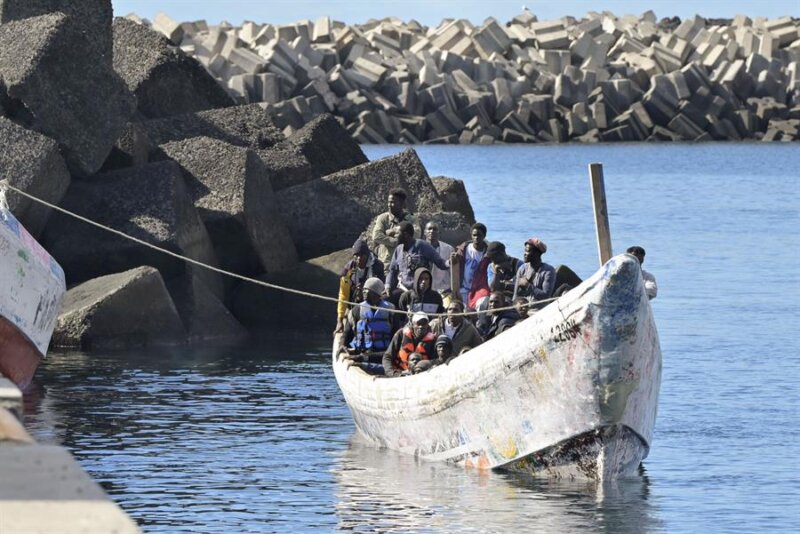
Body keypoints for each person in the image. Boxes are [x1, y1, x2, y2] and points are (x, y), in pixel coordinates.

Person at [386, 221, 449, 304]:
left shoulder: (422, 245)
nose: (395, 236)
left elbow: (441, 263)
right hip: (403, 289)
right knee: (385, 300)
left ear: (405, 235)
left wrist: (450, 262)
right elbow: (392, 271)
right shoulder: (399, 249)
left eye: (397, 233)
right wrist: (388, 286)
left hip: (420, 291)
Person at [335, 239, 385, 333]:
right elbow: (343, 296)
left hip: (374, 302)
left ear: (367, 255)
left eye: (362, 255)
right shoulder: (348, 271)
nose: (359, 258)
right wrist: (340, 320)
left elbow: (382, 291)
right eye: (356, 255)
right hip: (354, 303)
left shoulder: (377, 267)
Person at [372, 188, 420, 272]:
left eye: (392, 202)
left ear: (401, 204)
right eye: (388, 202)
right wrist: (396, 241)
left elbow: (416, 234)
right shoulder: (383, 218)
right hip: (387, 265)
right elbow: (376, 236)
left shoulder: (412, 219)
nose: (389, 205)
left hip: (406, 265)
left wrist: (392, 231)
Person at [383, 311, 436, 377]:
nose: (421, 326)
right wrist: (392, 373)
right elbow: (387, 356)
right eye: (418, 323)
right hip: (399, 373)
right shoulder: (401, 334)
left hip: (421, 375)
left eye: (424, 323)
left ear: (427, 325)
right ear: (413, 324)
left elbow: (435, 361)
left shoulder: (433, 340)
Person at [452, 222, 491, 311]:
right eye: (474, 235)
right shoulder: (464, 250)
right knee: (463, 310)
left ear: (484, 236)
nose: (476, 238)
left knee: (481, 305)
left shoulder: (488, 253)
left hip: (480, 288)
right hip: (464, 287)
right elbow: (454, 266)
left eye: (479, 235)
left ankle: (481, 323)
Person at [512, 237, 556, 309]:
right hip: (522, 310)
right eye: (525, 251)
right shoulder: (522, 269)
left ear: (537, 253)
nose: (525, 254)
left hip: (538, 310)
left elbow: (546, 296)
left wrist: (528, 286)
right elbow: (515, 296)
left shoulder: (548, 271)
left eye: (528, 251)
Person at [424, 221, 454, 296]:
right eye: (429, 229)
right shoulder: (419, 248)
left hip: (443, 290)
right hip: (423, 289)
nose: (432, 231)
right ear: (424, 232)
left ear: (439, 232)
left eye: (435, 229)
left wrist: (451, 288)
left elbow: (452, 272)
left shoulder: (448, 249)